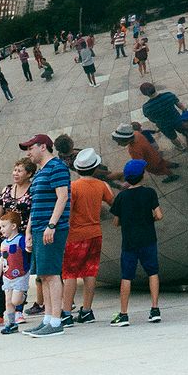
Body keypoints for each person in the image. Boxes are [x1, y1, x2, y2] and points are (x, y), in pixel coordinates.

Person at [14, 133, 72, 338]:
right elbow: (36, 204)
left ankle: (56, 321)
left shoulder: (57, 168)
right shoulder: (39, 173)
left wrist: (52, 225)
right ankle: (47, 319)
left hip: (51, 229)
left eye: (31, 148)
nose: (28, 152)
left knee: (53, 274)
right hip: (38, 228)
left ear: (43, 147)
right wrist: (29, 231)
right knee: (43, 275)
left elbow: (62, 197)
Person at [107, 158, 163, 326]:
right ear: (142, 176)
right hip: (148, 240)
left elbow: (116, 222)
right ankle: (154, 309)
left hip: (130, 242)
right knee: (152, 273)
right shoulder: (150, 193)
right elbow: (159, 215)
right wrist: (149, 218)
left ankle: (123, 314)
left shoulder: (121, 197)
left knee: (127, 277)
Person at [62, 150, 113, 324]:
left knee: (70, 274)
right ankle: (87, 310)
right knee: (90, 272)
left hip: (76, 235)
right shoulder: (102, 185)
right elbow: (113, 203)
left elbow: (68, 212)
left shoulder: (73, 187)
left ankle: (66, 313)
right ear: (96, 167)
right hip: (95, 233)